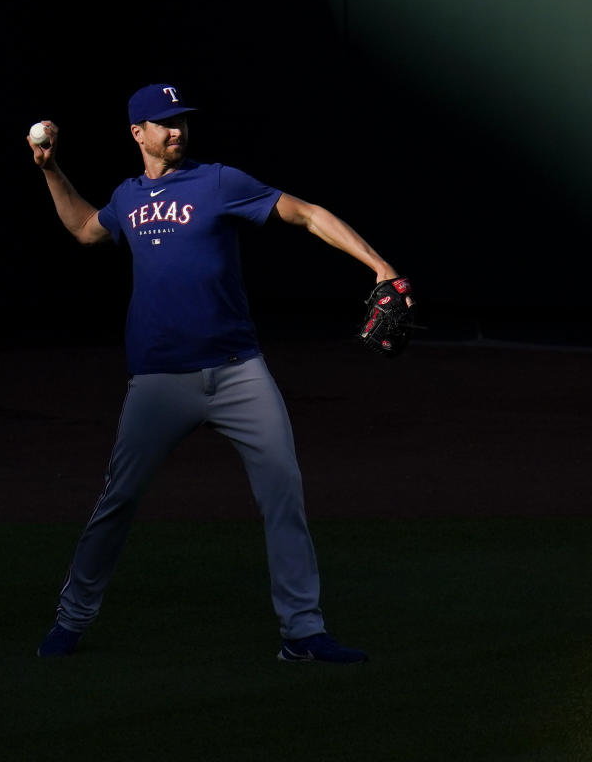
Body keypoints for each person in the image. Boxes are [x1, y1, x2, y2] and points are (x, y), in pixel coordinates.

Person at [28, 83, 402, 663]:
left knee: (284, 492)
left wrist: (380, 267)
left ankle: (302, 634)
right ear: (138, 133)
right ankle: (71, 620)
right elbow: (83, 229)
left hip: (238, 372)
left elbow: (305, 214)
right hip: (158, 380)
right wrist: (51, 170)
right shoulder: (127, 198)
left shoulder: (219, 182)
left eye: (182, 120)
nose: (177, 129)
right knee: (118, 500)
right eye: (164, 122)